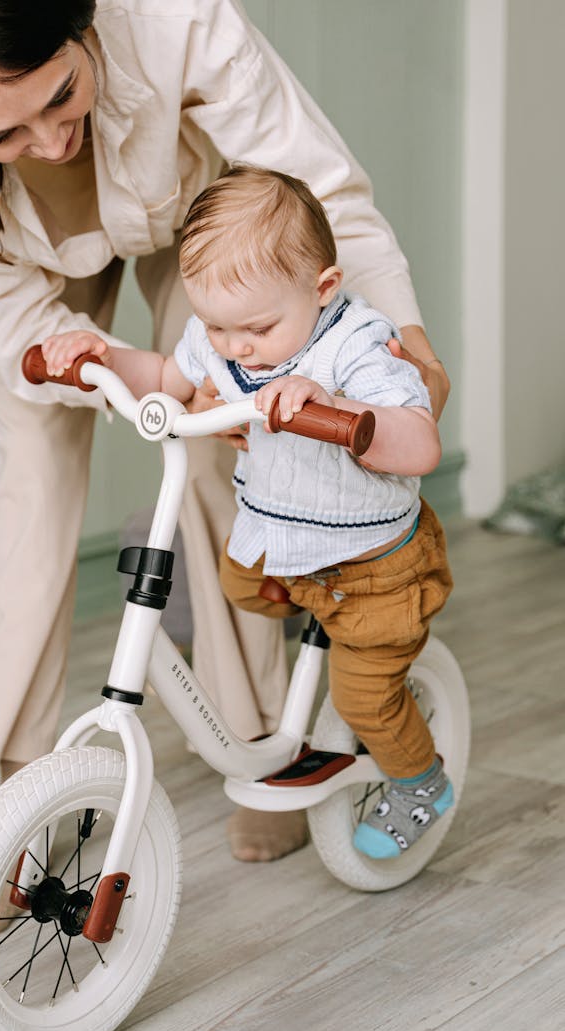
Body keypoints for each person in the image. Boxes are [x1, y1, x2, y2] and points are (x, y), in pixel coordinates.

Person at [0, 0, 449, 863]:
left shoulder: (175, 21)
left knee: (222, 440)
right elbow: (2, 312)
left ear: (80, 22)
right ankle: (22, 769)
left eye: (62, 95)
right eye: (2, 137)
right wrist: (96, 366)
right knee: (34, 476)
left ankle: (257, 734)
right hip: (33, 286)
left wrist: (406, 341)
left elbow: (316, 193)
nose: (53, 143)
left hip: (202, 234)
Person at [42, 166, 455, 858]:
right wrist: (99, 356)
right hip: (279, 545)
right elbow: (167, 379)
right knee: (235, 587)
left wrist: (345, 411)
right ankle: (309, 620)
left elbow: (420, 445)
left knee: (364, 702)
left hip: (375, 567)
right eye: (216, 326)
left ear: (322, 289)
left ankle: (421, 781)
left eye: (257, 328)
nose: (234, 347)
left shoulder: (358, 344)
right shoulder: (223, 336)